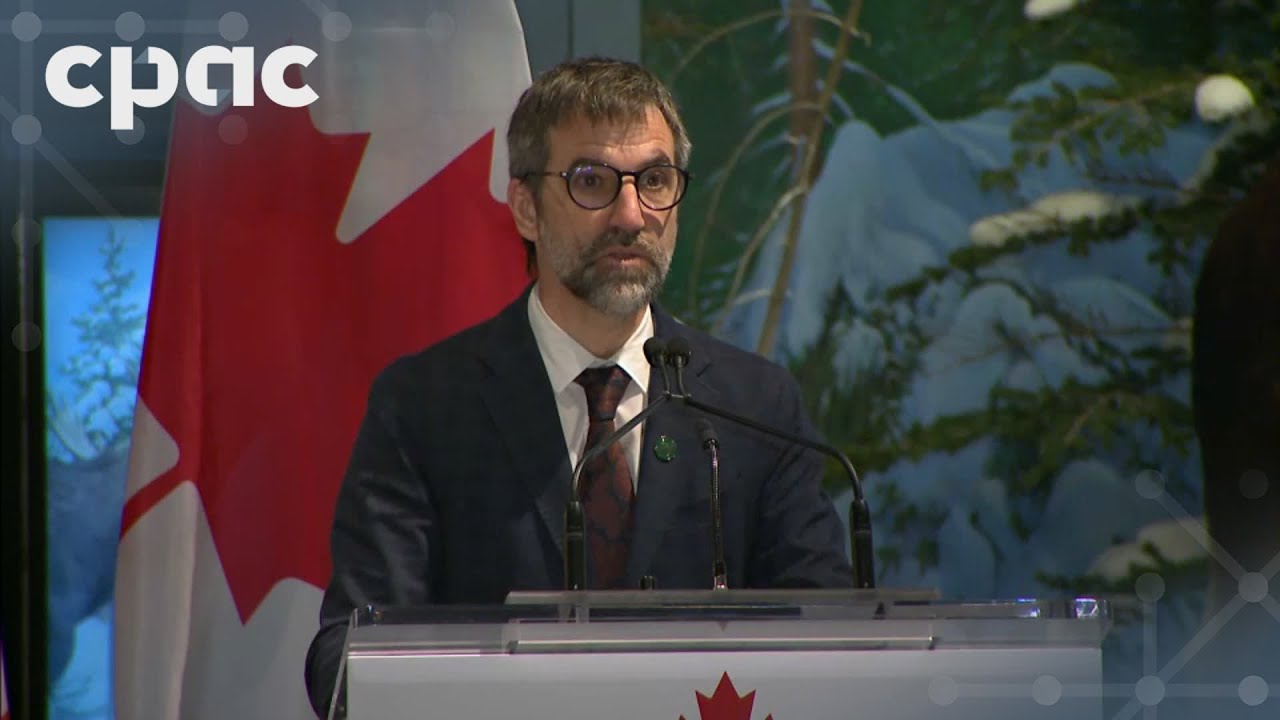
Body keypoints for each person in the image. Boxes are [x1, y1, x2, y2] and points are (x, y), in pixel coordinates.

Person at [303, 56, 852, 717]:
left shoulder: (754, 408)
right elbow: (348, 655)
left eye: (655, 180)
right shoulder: (425, 406)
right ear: (526, 208)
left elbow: (832, 635)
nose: (631, 215)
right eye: (592, 181)